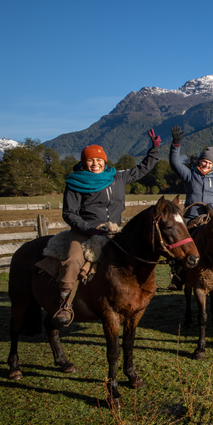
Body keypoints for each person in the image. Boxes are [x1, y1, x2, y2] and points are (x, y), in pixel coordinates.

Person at [53, 129, 162, 327]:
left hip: (114, 230)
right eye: (90, 160)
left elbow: (143, 169)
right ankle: (65, 304)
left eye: (99, 160)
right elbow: (69, 214)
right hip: (85, 231)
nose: (95, 164)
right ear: (84, 163)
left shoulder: (117, 177)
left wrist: (154, 149)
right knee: (73, 260)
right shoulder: (75, 183)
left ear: (105, 160)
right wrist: (89, 229)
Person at [167, 126, 213, 290]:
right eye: (204, 161)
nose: (206, 164)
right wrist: (176, 144)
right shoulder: (189, 175)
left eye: (209, 163)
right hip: (192, 218)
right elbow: (175, 163)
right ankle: (178, 273)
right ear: (199, 161)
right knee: (180, 243)